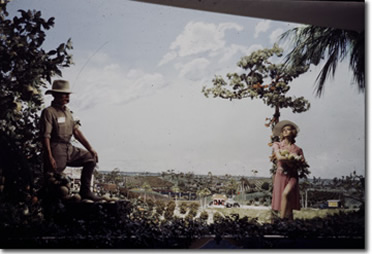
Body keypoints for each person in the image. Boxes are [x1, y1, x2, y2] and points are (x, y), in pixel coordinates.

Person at [40, 80, 102, 201]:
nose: (67, 97)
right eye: (64, 94)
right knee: (54, 180)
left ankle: (85, 191)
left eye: (68, 94)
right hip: (56, 148)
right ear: (55, 95)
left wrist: (91, 149)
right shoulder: (49, 112)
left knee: (91, 158)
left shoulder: (68, 112)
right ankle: (49, 206)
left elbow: (76, 132)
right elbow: (45, 136)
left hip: (69, 148)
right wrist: (49, 156)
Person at [271, 120, 305, 220]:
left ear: (293, 132)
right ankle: (289, 220)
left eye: (288, 129)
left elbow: (303, 163)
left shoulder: (298, 149)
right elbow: (279, 157)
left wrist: (297, 161)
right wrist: (293, 158)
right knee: (285, 197)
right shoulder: (277, 145)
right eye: (284, 130)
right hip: (281, 174)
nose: (285, 131)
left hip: (292, 175)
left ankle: (282, 220)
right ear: (281, 133)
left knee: (286, 194)